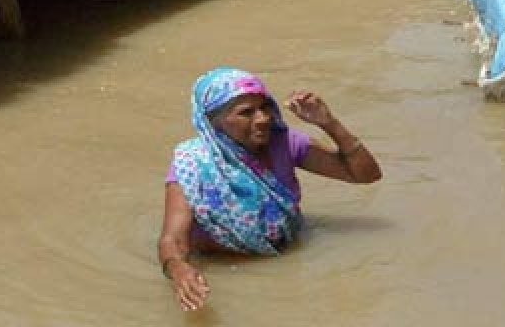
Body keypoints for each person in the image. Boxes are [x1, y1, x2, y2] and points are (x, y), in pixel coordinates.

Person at [157, 67, 382, 311]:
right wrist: (179, 270)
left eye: (264, 107)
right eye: (247, 112)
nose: (263, 118)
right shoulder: (191, 165)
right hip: (226, 271)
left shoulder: (284, 143)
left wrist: (330, 124)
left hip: (288, 258)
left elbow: (366, 175)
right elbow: (173, 239)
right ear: (213, 121)